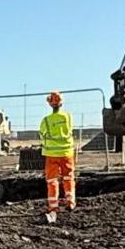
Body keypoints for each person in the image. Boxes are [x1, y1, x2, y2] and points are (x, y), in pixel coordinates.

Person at [38, 91, 75, 221]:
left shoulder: (46, 121)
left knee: (52, 181)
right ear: (61, 103)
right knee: (68, 177)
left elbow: (42, 135)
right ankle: (70, 203)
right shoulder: (68, 117)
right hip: (67, 153)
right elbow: (70, 130)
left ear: (49, 104)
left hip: (51, 154)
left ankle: (53, 207)